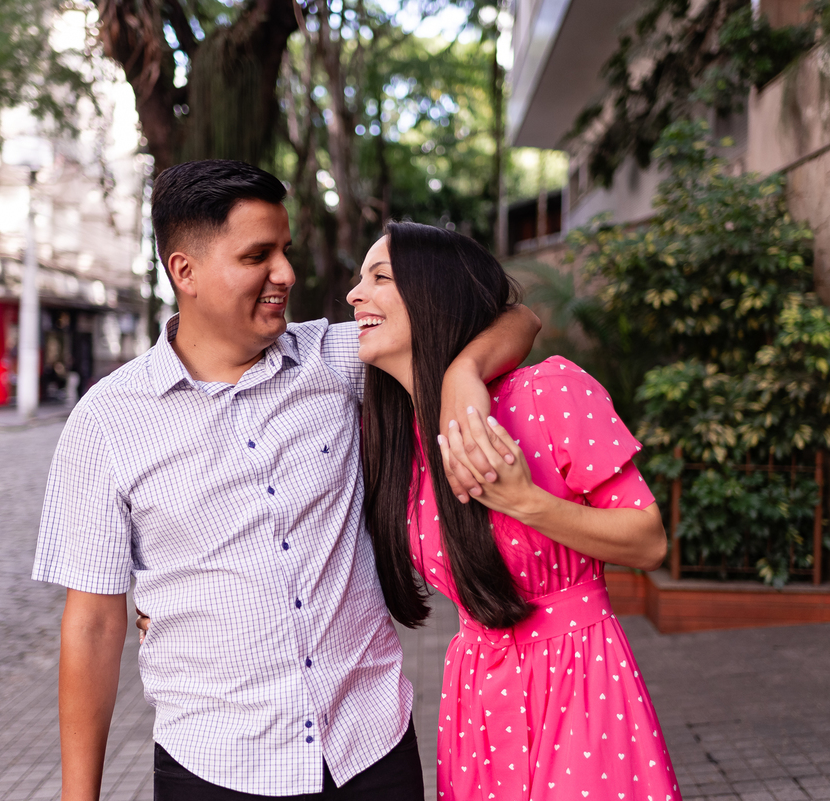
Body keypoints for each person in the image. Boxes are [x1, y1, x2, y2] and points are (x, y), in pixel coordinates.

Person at [31, 160, 540, 801]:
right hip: (214, 766)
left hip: (370, 748)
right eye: (257, 256)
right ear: (183, 271)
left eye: (286, 250)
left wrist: (464, 370)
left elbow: (513, 316)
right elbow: (94, 625)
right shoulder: (106, 423)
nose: (286, 274)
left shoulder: (333, 360)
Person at [346, 222, 678, 800]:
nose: (354, 294)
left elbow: (648, 542)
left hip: (581, 674)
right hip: (477, 689)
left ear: (434, 295)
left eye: (380, 278)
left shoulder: (548, 393)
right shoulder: (398, 443)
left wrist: (526, 502)